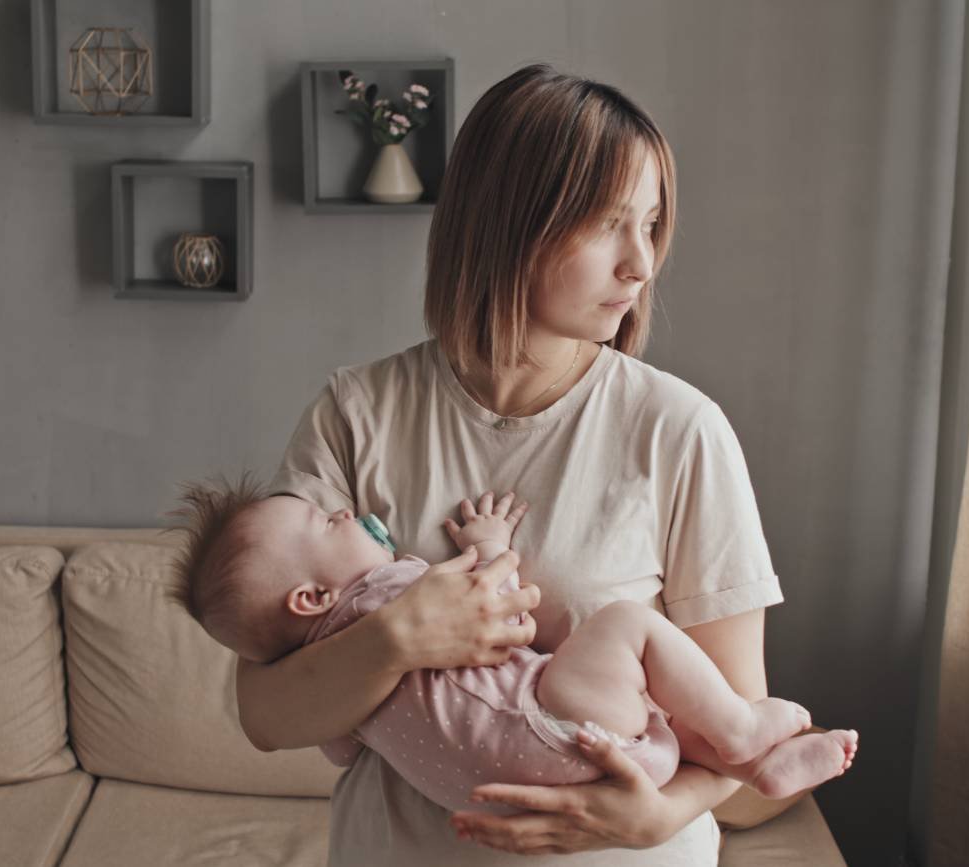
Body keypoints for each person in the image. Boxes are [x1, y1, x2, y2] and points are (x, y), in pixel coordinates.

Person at [236, 62, 800, 864]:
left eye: (651, 224)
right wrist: (400, 635)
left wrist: (655, 816)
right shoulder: (357, 414)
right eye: (610, 223)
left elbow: (744, 727)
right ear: (509, 220)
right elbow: (264, 714)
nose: (641, 265)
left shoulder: (679, 431)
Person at [168, 481, 859, 815]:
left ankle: (760, 766)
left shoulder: (335, 697)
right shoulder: (387, 591)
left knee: (652, 704)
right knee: (624, 626)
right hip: (553, 724)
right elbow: (505, 611)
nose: (344, 512)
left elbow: (336, 743)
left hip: (508, 791)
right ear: (312, 598)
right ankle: (741, 731)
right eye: (326, 520)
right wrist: (491, 547)